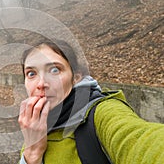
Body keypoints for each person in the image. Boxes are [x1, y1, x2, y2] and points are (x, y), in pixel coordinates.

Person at [18, 39, 164, 164]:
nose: (41, 83)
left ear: (75, 78)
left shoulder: (101, 113)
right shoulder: (33, 127)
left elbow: (141, 140)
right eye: (31, 73)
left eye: (54, 70)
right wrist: (32, 153)